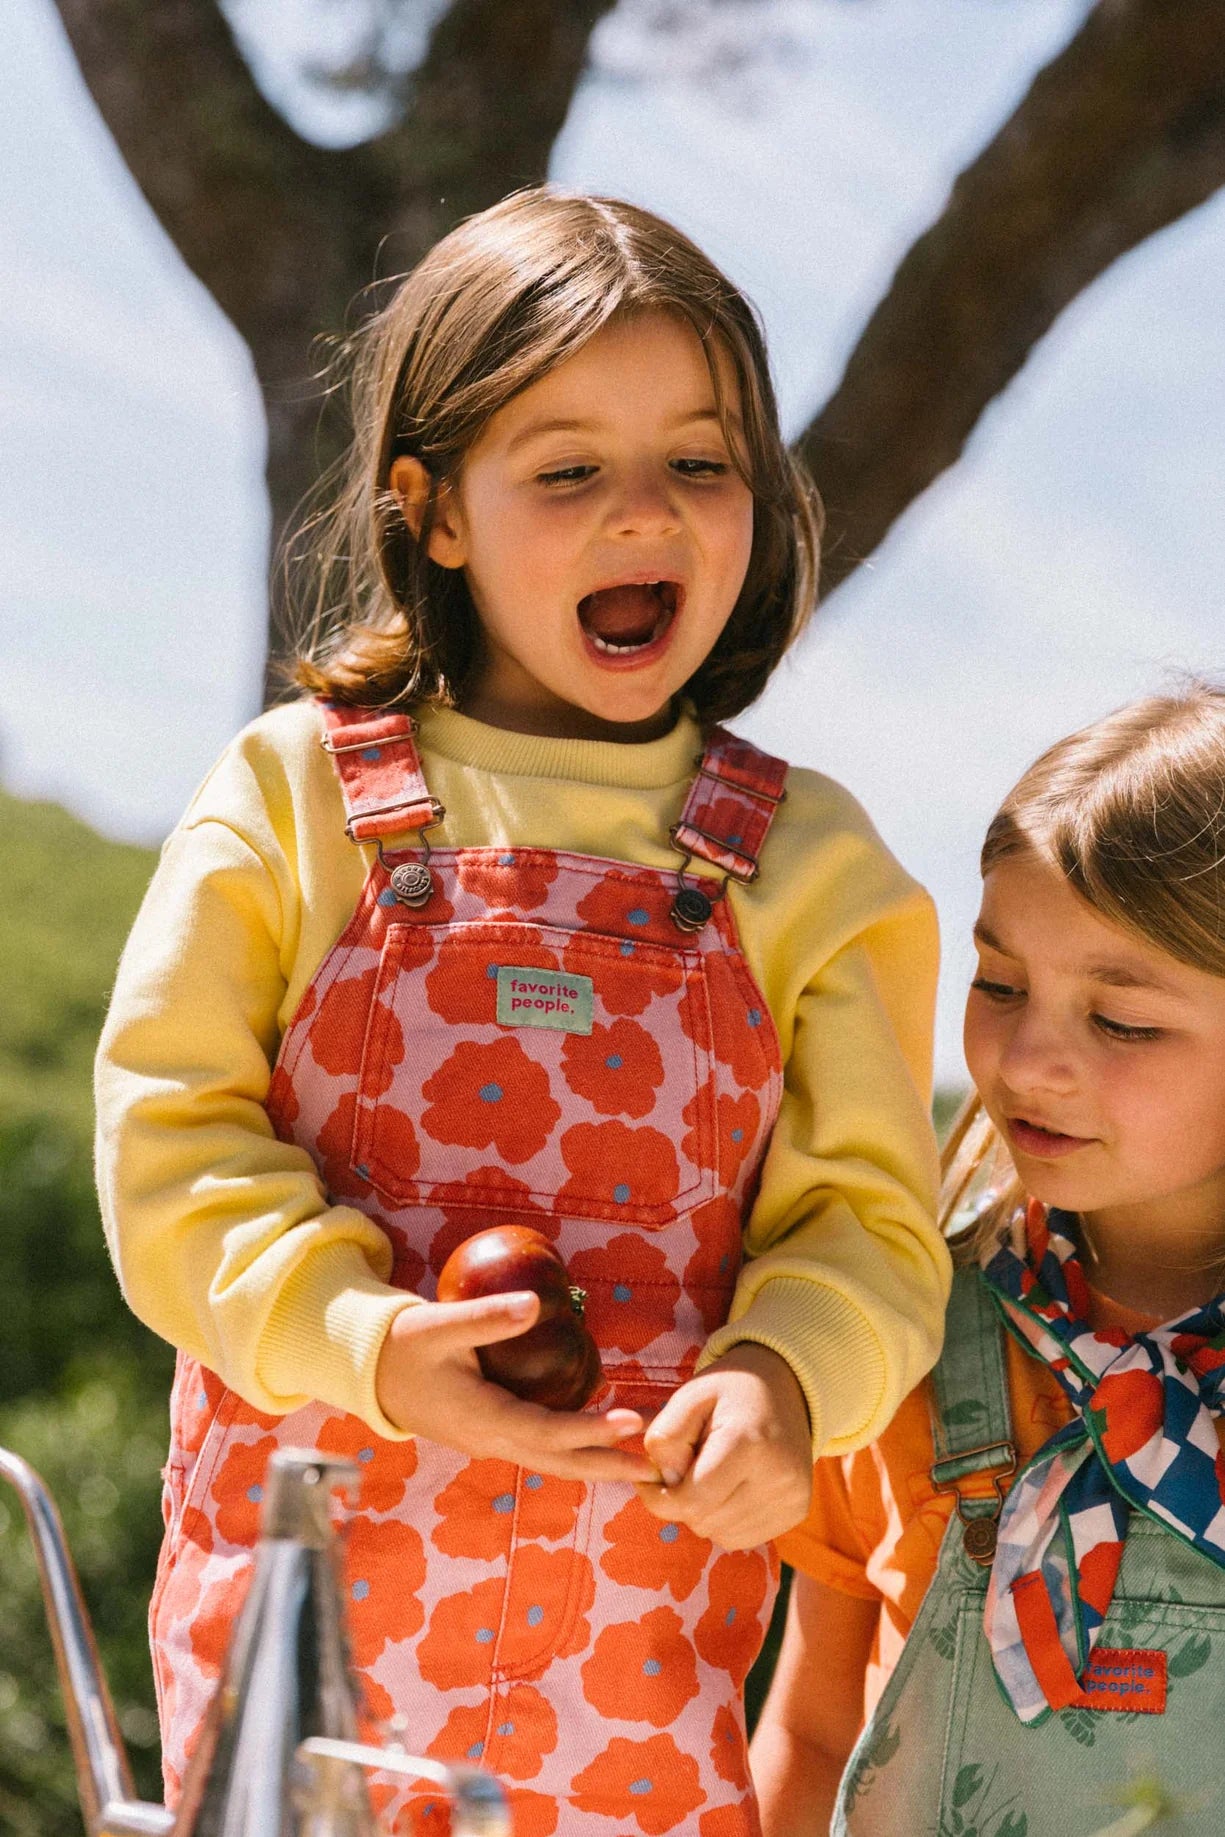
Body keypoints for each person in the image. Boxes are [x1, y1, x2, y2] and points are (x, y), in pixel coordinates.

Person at [95, 188, 948, 1836]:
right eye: (569, 470)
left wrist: (784, 1377)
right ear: (435, 512)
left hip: (634, 1681)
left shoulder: (819, 864)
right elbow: (168, 1150)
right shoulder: (295, 797)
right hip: (309, 1662)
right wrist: (364, 1340)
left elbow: (871, 1231)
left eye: (700, 463)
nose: (648, 514)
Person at [752, 685, 1225, 1837]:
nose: (1026, 1058)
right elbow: (810, 1731)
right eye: (999, 984)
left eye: (1122, 1020)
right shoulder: (895, 1331)